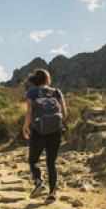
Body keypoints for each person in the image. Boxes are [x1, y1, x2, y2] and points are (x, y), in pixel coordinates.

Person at [22, 69, 68, 199]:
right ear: (47, 78)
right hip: (56, 131)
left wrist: (25, 127)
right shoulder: (57, 92)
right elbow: (64, 114)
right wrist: (54, 123)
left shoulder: (31, 92)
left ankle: (39, 183)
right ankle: (52, 193)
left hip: (38, 130)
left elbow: (29, 112)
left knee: (33, 160)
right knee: (51, 162)